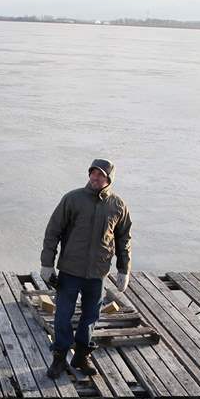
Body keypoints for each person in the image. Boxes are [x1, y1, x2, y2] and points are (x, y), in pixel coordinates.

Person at [40, 158, 132, 380]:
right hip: (70, 270)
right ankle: (59, 357)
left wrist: (123, 269)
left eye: (100, 174)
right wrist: (47, 264)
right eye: (93, 173)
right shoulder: (72, 199)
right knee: (63, 315)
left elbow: (123, 240)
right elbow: (53, 231)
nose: (95, 177)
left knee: (91, 316)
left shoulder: (118, 206)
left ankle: (81, 356)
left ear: (109, 179)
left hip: (97, 273)